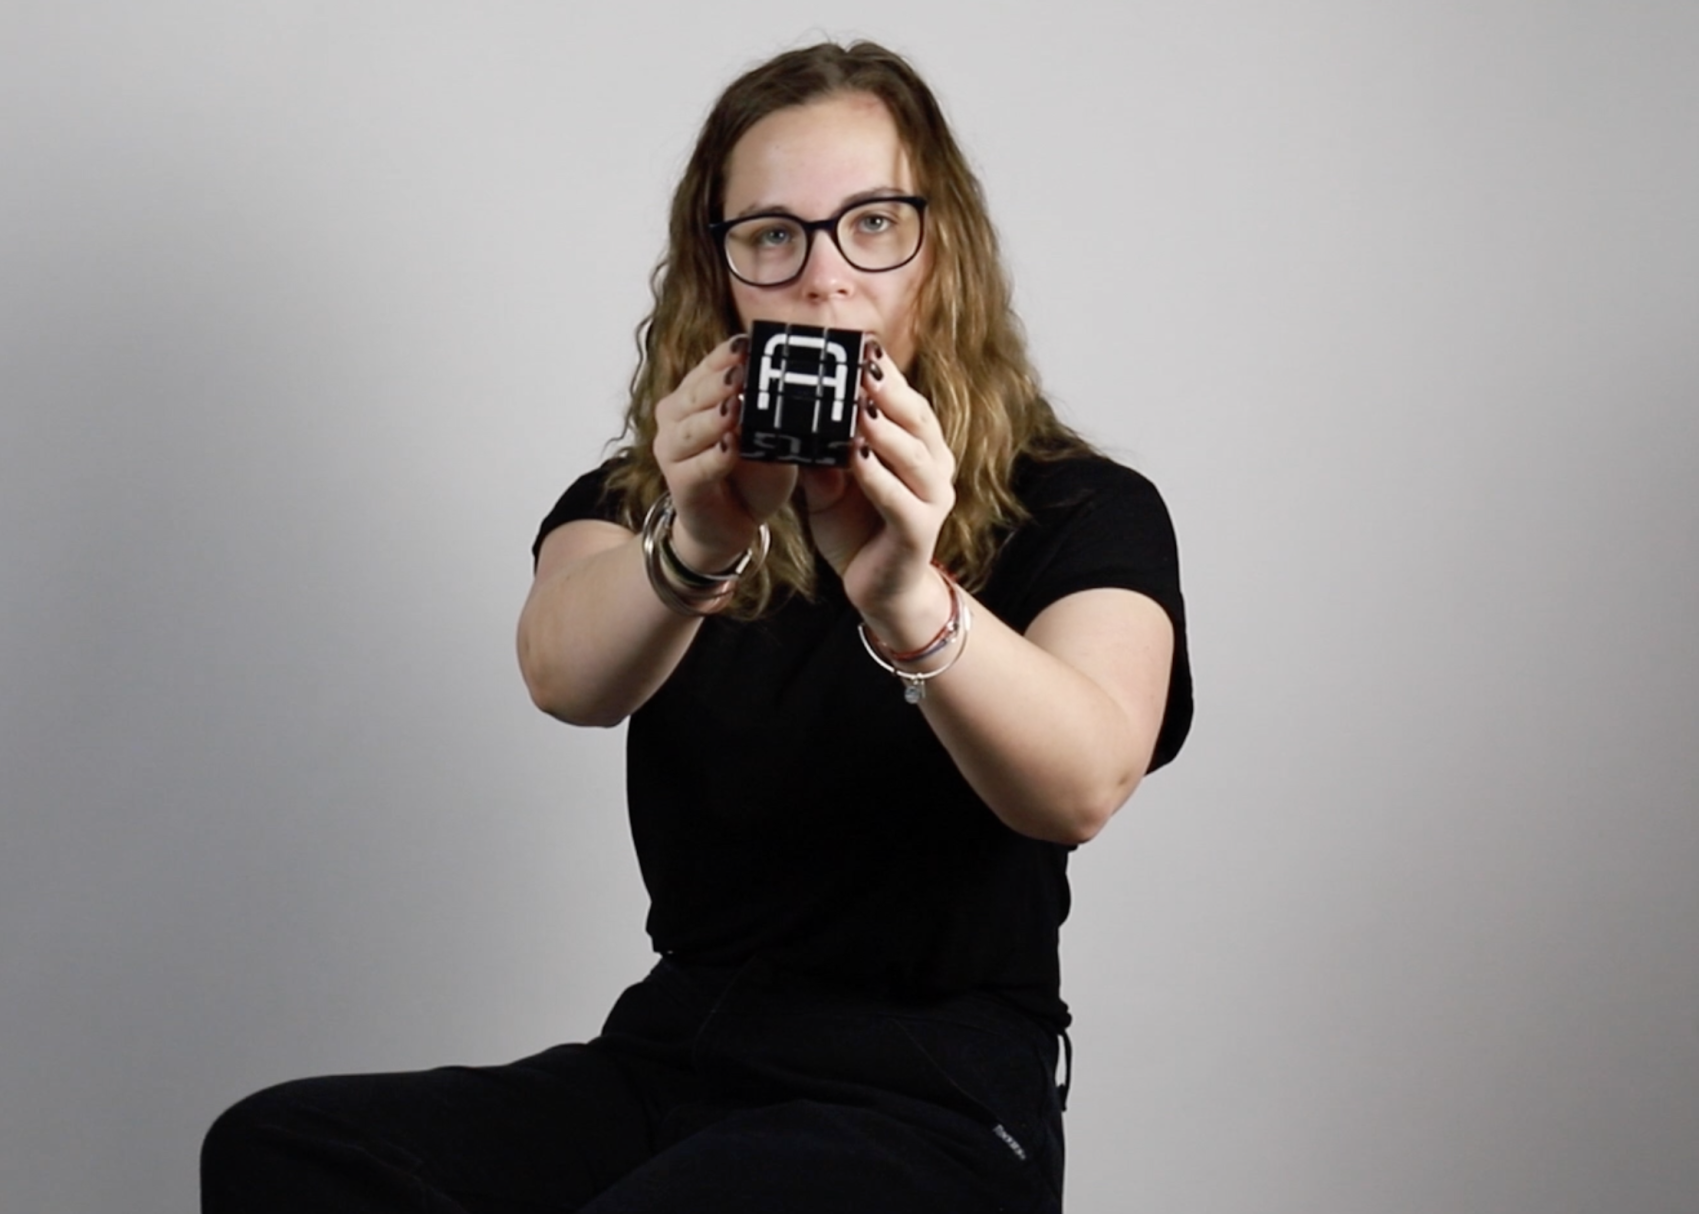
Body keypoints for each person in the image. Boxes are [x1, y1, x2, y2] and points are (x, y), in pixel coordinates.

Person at [202, 39, 1191, 1213]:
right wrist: (698, 544)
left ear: (945, 254)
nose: (823, 280)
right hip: (684, 1047)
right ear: (719, 275)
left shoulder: (1079, 505)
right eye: (773, 235)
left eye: (873, 224)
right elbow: (563, 672)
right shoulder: (645, 502)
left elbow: (1082, 781)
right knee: (284, 1147)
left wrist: (907, 597)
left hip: (936, 1091)